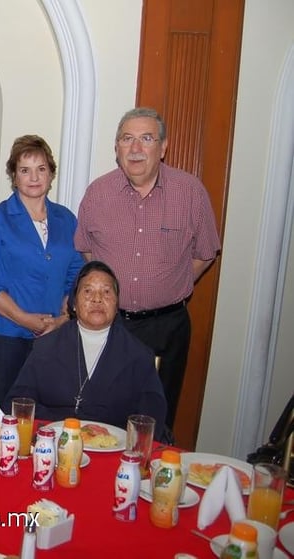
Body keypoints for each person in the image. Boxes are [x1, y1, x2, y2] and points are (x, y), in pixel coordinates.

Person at [74, 107, 221, 429]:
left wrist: (170, 284)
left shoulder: (190, 192)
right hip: (108, 326)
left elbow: (206, 253)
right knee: (99, 418)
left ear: (163, 147)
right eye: (127, 139)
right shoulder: (98, 193)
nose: (136, 148)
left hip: (166, 327)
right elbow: (86, 249)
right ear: (117, 148)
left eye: (146, 138)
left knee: (154, 424)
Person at [0, 135, 84, 408]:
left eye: (41, 169)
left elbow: (77, 275)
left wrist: (63, 319)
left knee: (46, 417)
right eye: (25, 170)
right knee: (1, 417)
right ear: (14, 176)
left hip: (54, 337)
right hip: (4, 338)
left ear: (51, 174)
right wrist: (24, 319)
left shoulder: (67, 219)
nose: (34, 177)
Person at [6, 261, 166, 439]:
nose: (97, 299)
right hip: (53, 444)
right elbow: (18, 404)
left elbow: (151, 419)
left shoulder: (139, 355)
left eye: (106, 291)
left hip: (114, 452)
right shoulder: (45, 347)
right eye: (88, 291)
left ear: (116, 304)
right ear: (73, 303)